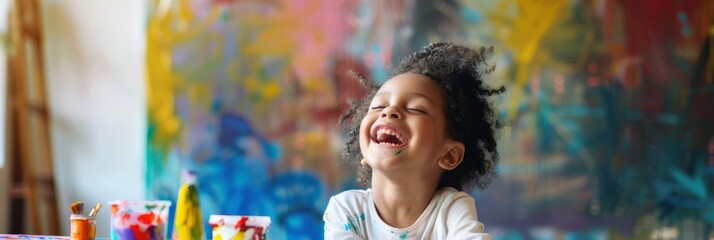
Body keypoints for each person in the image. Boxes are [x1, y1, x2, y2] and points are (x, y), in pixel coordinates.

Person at [323, 41, 506, 239]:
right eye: (378, 106)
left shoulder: (451, 211)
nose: (389, 111)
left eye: (416, 109)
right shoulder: (344, 210)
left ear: (449, 155)